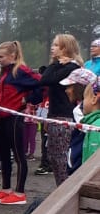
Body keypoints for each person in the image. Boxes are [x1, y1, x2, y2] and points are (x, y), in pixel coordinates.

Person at [0, 42, 41, 203]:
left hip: (14, 117)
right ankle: (6, 188)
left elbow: (41, 83)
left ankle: (20, 193)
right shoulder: (4, 72)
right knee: (3, 153)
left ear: (12, 55)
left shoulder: (21, 70)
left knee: (19, 155)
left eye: (2, 57)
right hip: (1, 116)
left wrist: (29, 99)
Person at [40, 33, 82, 185]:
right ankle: (61, 187)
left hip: (65, 117)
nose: (52, 48)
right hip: (55, 115)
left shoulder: (71, 67)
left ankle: (65, 189)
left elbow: (46, 79)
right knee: (53, 156)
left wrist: (56, 64)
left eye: (56, 45)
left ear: (66, 48)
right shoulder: (60, 66)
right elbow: (45, 77)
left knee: (61, 158)